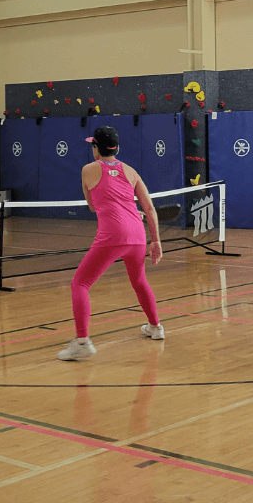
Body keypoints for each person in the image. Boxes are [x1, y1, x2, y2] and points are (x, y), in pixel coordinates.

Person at [57, 126, 164, 361]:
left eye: (92, 145)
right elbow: (149, 208)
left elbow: (93, 206)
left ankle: (82, 341)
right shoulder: (131, 171)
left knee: (80, 284)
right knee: (139, 281)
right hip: (137, 234)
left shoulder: (88, 170)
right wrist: (155, 240)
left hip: (112, 235)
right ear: (116, 148)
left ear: (96, 148)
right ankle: (155, 327)